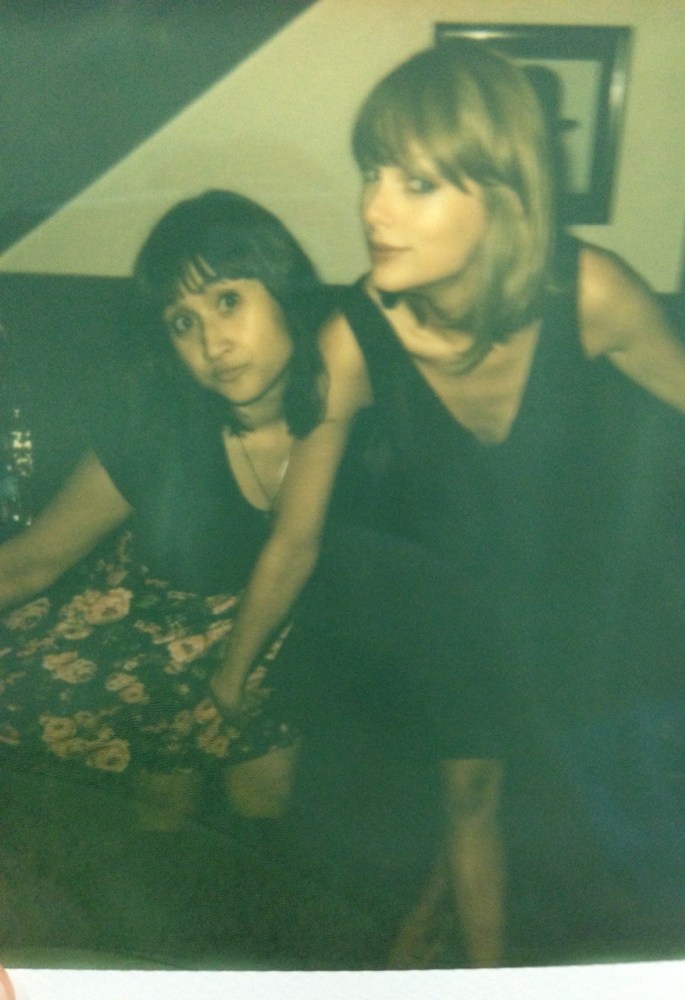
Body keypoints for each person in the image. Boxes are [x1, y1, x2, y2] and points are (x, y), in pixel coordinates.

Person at [208, 42, 685, 961]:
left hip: (569, 592)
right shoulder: (354, 339)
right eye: (372, 172)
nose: (372, 208)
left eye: (415, 183)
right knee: (471, 792)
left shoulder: (589, 293)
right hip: (441, 597)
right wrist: (230, 672)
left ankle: (437, 910)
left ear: (503, 195)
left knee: (544, 805)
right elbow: (296, 537)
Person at [0, 189, 506, 967]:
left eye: (228, 300)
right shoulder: (158, 430)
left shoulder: (361, 410)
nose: (212, 342)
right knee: (164, 821)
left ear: (284, 290)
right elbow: (33, 561)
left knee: (265, 816)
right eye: (183, 322)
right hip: (151, 648)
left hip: (284, 652)